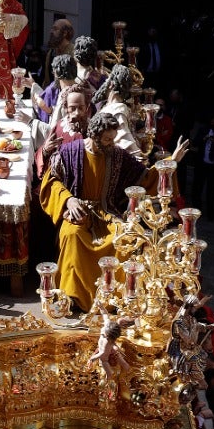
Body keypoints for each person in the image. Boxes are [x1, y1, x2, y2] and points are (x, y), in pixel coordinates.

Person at [40, 108, 181, 313]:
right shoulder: (69, 152)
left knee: (124, 237)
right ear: (94, 136)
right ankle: (72, 297)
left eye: (113, 139)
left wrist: (170, 163)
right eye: (107, 139)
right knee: (72, 235)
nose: (111, 144)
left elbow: (145, 177)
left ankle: (116, 298)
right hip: (78, 213)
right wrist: (68, 200)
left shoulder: (116, 156)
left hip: (107, 213)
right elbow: (51, 180)